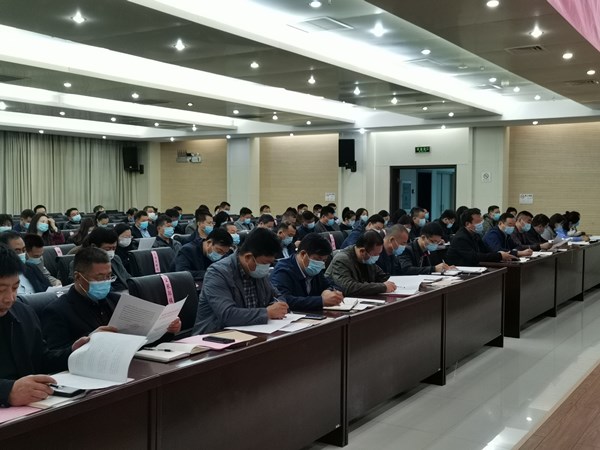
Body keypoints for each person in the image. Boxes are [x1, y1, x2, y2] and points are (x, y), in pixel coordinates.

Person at [0, 245, 98, 407]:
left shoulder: (23, 313)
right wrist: (7, 392)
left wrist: (72, 353)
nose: (9, 298)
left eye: (15, 288)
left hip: (33, 407)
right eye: (1, 290)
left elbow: (41, 360)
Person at [42, 247, 180, 351]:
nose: (105, 281)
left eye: (109, 276)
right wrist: (86, 342)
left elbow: (141, 341)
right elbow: (52, 359)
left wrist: (167, 331)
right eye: (99, 277)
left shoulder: (117, 301)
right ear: (78, 277)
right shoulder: (57, 310)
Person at [192, 228, 289, 335]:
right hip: (215, 336)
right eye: (265, 263)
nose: (267, 267)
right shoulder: (217, 273)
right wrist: (267, 313)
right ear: (248, 257)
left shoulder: (257, 271)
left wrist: (279, 306)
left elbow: (277, 296)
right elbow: (228, 314)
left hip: (253, 332)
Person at [270, 234, 343, 310]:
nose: (321, 264)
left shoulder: (315, 270)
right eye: (317, 259)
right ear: (303, 254)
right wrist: (321, 301)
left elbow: (332, 284)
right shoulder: (283, 271)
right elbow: (284, 300)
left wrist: (328, 290)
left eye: (324, 260)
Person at [325, 231, 396, 296]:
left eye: (379, 254)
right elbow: (348, 288)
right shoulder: (341, 259)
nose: (377, 257)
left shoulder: (367, 259)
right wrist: (382, 287)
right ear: (362, 251)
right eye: (375, 254)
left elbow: (382, 277)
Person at [445, 208, 515, 266]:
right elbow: (474, 256)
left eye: (481, 221)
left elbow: (486, 250)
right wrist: (499, 256)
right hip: (459, 269)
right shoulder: (461, 238)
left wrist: (500, 254)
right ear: (467, 224)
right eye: (478, 222)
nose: (481, 224)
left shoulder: (476, 235)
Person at [72, 228, 132, 292]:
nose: (111, 252)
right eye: (107, 249)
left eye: (114, 248)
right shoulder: (80, 263)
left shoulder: (115, 259)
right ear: (94, 246)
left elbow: (128, 278)